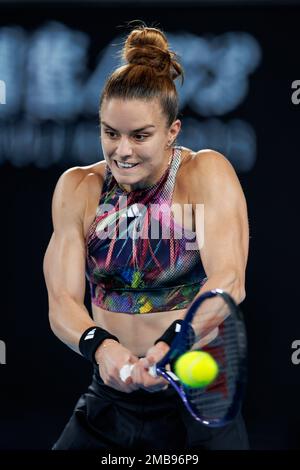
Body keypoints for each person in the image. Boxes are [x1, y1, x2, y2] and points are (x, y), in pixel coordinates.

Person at [43, 24, 249, 451]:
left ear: (173, 132)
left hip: (198, 396)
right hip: (111, 396)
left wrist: (171, 343)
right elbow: (62, 302)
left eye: (140, 136)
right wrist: (101, 348)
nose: (122, 150)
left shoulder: (204, 173)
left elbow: (228, 280)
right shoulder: (78, 188)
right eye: (110, 133)